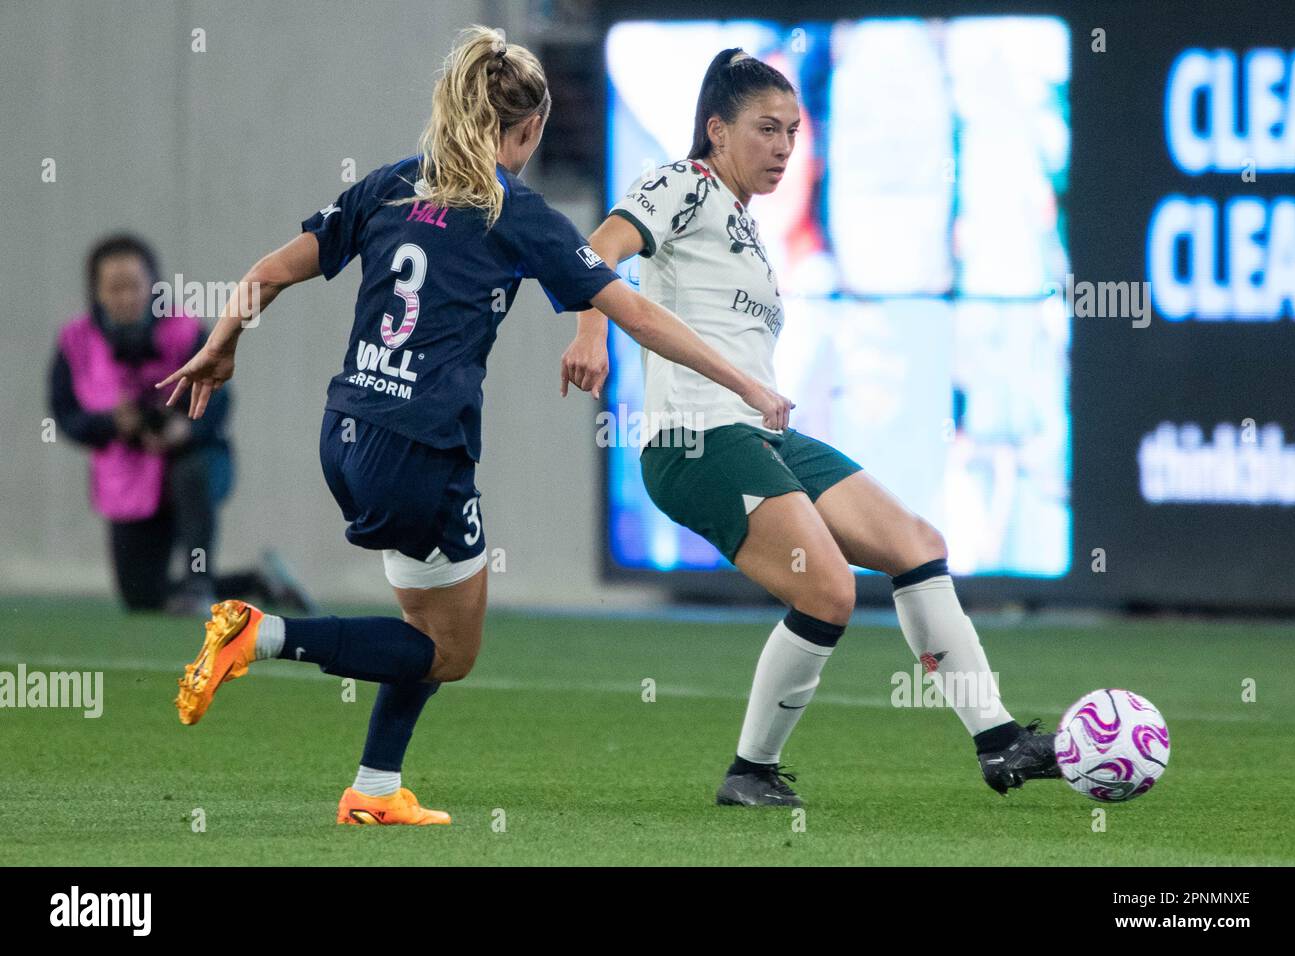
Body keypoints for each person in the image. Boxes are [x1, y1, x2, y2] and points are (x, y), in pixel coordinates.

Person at [159, 27, 792, 827]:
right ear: (524, 132)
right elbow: (635, 313)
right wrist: (743, 379)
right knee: (448, 652)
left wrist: (220, 347)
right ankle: (262, 633)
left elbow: (268, 273)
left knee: (425, 622)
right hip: (420, 450)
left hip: (346, 431)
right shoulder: (515, 212)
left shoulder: (388, 184)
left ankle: (375, 789)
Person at [560, 49, 1060, 806]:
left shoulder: (748, 226)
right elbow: (595, 251)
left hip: (758, 433)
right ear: (716, 131)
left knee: (916, 546)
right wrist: (590, 336)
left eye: (794, 131)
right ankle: (749, 772)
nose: (785, 147)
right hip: (696, 440)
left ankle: (999, 744)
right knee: (827, 591)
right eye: (767, 129)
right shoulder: (683, 184)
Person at [49, 233, 311, 615]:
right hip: (131, 477)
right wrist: (112, 424)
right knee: (142, 598)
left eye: (134, 286)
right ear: (97, 292)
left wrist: (184, 430)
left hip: (192, 462)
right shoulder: (76, 342)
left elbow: (219, 400)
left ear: (152, 285)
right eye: (114, 288)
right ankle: (261, 582)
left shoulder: (185, 332)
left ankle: (199, 585)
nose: (125, 297)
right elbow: (65, 415)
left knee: (191, 472)